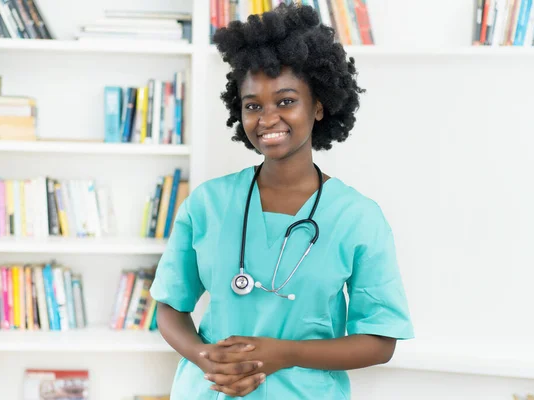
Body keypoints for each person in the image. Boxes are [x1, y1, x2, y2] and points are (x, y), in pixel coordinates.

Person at [149, 3, 414, 399]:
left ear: (319, 106)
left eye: (286, 101)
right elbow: (170, 307)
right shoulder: (208, 203)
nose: (267, 118)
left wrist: (285, 353)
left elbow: (380, 341)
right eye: (253, 105)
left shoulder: (357, 218)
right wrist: (206, 358)